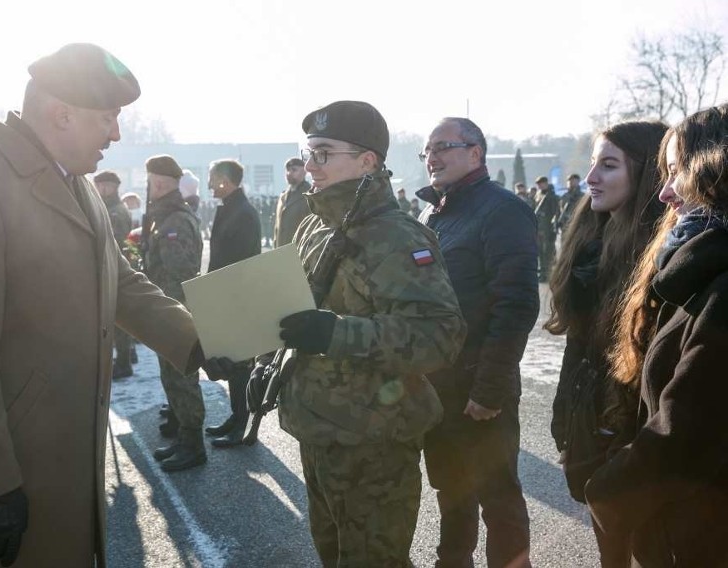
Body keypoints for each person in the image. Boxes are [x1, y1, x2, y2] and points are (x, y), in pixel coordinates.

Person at [0, 43, 206, 568]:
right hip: (5, 466)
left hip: (57, 457)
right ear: (61, 114)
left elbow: (122, 284)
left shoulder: (76, 186)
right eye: (108, 118)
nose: (116, 134)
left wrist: (197, 341)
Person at [251, 100, 466, 566]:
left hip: (374, 440)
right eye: (307, 152)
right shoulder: (315, 225)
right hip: (320, 428)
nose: (310, 165)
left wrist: (335, 334)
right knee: (335, 556)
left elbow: (438, 335)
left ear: (368, 161)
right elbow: (296, 313)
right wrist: (259, 354)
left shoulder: (396, 237)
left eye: (323, 153)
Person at [585, 105, 728, 567]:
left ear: (715, 168)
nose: (665, 193)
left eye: (675, 173)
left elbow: (688, 424)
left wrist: (609, 489)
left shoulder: (718, 281)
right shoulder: (695, 268)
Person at [416, 117, 538, 568]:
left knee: (498, 498)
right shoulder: (433, 213)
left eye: (443, 146)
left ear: (476, 153)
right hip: (439, 388)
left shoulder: (502, 209)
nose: (432, 156)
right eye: (427, 149)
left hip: (479, 389)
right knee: (452, 490)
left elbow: (517, 304)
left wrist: (489, 389)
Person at [543, 121, 667, 565]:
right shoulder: (588, 245)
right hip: (592, 421)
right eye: (594, 163)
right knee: (609, 547)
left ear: (650, 173)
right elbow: (579, 345)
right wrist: (565, 417)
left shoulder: (668, 257)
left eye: (608, 165)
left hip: (642, 431)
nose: (591, 177)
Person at [138, 155, 207, 472]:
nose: (151, 187)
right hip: (165, 308)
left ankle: (194, 445)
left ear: (163, 182)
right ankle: (183, 437)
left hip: (177, 308)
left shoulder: (176, 219)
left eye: (154, 182)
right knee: (170, 376)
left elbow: (183, 270)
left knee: (183, 377)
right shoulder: (161, 215)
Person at [204, 158, 261, 447]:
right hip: (226, 296)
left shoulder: (243, 213)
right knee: (234, 364)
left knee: (241, 367)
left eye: (212, 178)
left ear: (225, 179)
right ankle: (237, 417)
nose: (209, 183)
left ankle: (243, 426)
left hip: (237, 299)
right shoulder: (230, 209)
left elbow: (240, 264)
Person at [94, 170, 135, 379]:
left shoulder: (115, 211)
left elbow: (115, 243)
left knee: (118, 320)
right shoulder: (109, 208)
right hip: (113, 266)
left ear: (113, 187)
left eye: (105, 186)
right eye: (98, 185)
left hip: (115, 268)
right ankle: (127, 356)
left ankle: (124, 361)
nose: (101, 189)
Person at [273, 157, 311, 247]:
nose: (289, 173)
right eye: (288, 170)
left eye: (294, 170)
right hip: (281, 250)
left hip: (299, 251)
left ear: (304, 172)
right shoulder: (283, 196)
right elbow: (277, 228)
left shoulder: (309, 195)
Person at [534, 176, 559, 282]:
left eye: (542, 183)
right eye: (538, 184)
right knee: (539, 251)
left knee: (548, 251)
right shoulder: (538, 195)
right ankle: (543, 272)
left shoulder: (552, 196)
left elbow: (556, 213)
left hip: (547, 228)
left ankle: (549, 273)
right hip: (538, 227)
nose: (540, 185)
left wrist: (554, 227)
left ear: (546, 183)